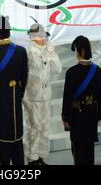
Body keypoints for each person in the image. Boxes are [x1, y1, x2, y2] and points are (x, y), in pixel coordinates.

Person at [0, 16, 28, 165]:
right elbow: (24, 76)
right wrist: (19, 94)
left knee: (1, 131)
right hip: (15, 97)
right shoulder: (20, 52)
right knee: (15, 132)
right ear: (9, 32)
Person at [23, 21, 61, 165]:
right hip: (32, 96)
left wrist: (52, 54)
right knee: (34, 127)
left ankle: (41, 155)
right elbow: (23, 74)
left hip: (45, 95)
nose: (44, 38)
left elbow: (57, 69)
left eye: (44, 36)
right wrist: (24, 97)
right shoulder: (28, 52)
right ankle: (32, 157)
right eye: (41, 36)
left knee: (44, 126)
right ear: (33, 37)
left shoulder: (47, 49)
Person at [62, 36, 101, 165]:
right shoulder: (97, 71)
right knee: (89, 150)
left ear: (80, 51)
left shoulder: (71, 72)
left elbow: (67, 98)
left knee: (78, 151)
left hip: (77, 116)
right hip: (91, 114)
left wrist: (66, 118)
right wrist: (98, 115)